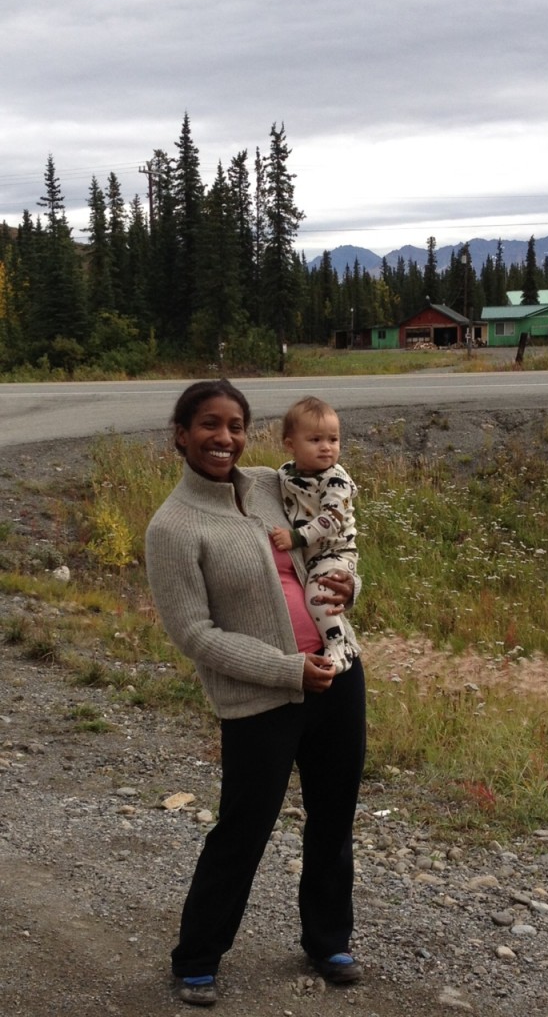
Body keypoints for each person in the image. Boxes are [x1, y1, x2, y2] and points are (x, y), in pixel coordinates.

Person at [144, 379, 366, 1007]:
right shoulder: (173, 527)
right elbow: (195, 634)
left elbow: (335, 540)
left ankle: (329, 941)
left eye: (236, 425)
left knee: (333, 817)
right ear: (182, 435)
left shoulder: (274, 484)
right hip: (261, 698)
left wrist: (352, 588)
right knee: (244, 827)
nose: (225, 438)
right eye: (210, 425)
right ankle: (196, 959)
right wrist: (285, 670)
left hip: (338, 673)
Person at [270, 397, 358, 675]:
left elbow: (331, 520)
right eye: (316, 439)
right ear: (290, 445)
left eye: (334, 439)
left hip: (336, 552)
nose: (327, 447)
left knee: (319, 595)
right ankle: (340, 640)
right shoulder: (284, 474)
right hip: (312, 557)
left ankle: (338, 648)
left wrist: (295, 538)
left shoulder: (336, 479)